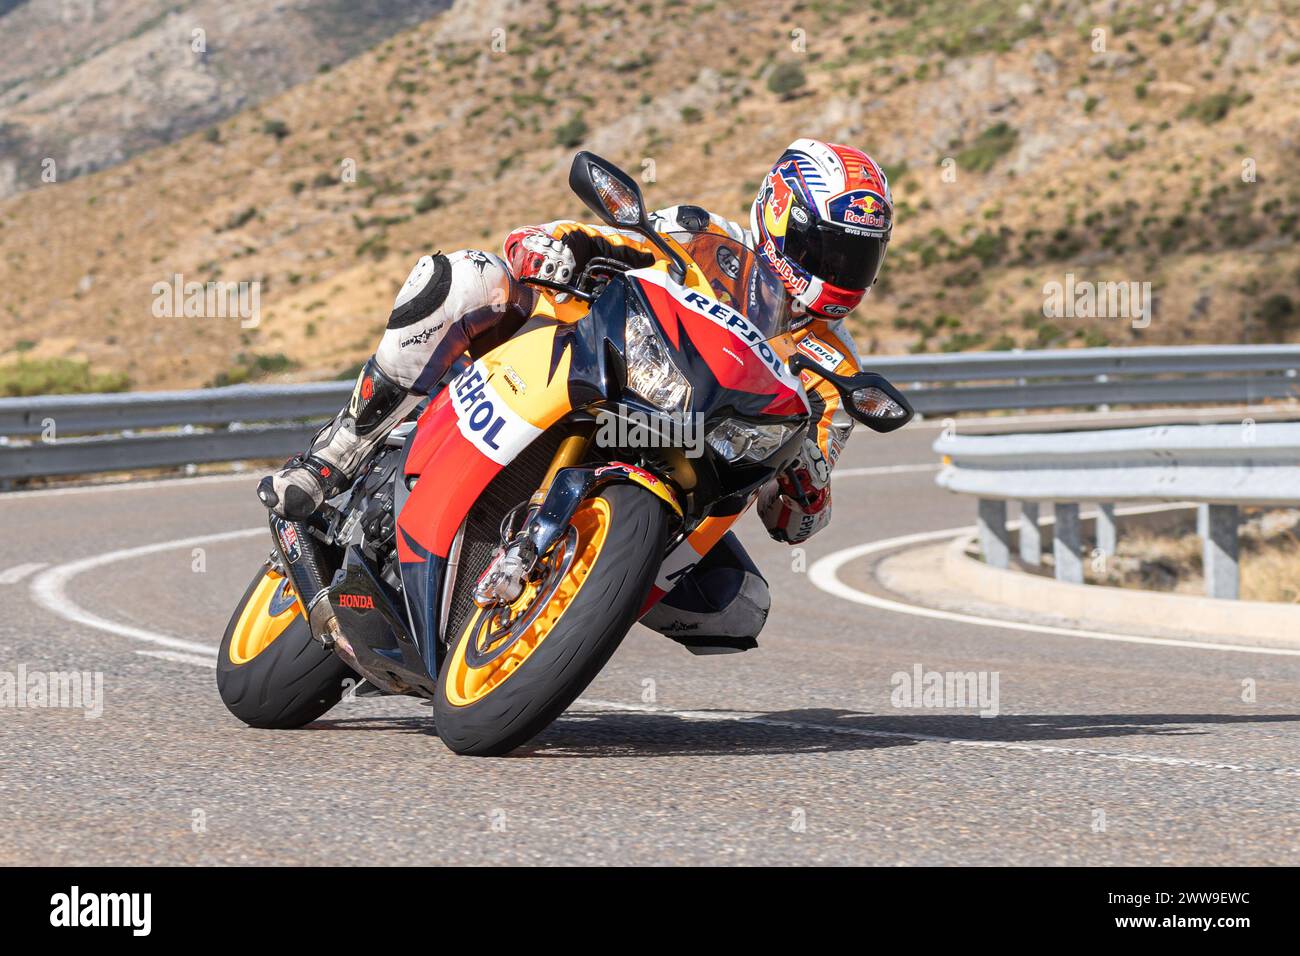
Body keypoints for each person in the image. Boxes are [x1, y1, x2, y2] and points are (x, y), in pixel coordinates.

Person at [258, 138, 893, 653]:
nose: (839, 270)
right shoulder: (704, 237)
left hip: (686, 463)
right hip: (606, 371)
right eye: (828, 247)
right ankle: (337, 450)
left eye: (858, 256)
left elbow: (796, 522)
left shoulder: (833, 368)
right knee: (462, 279)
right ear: (778, 215)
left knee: (740, 606)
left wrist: (808, 480)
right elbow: (619, 241)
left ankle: (567, 606)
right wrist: (554, 246)